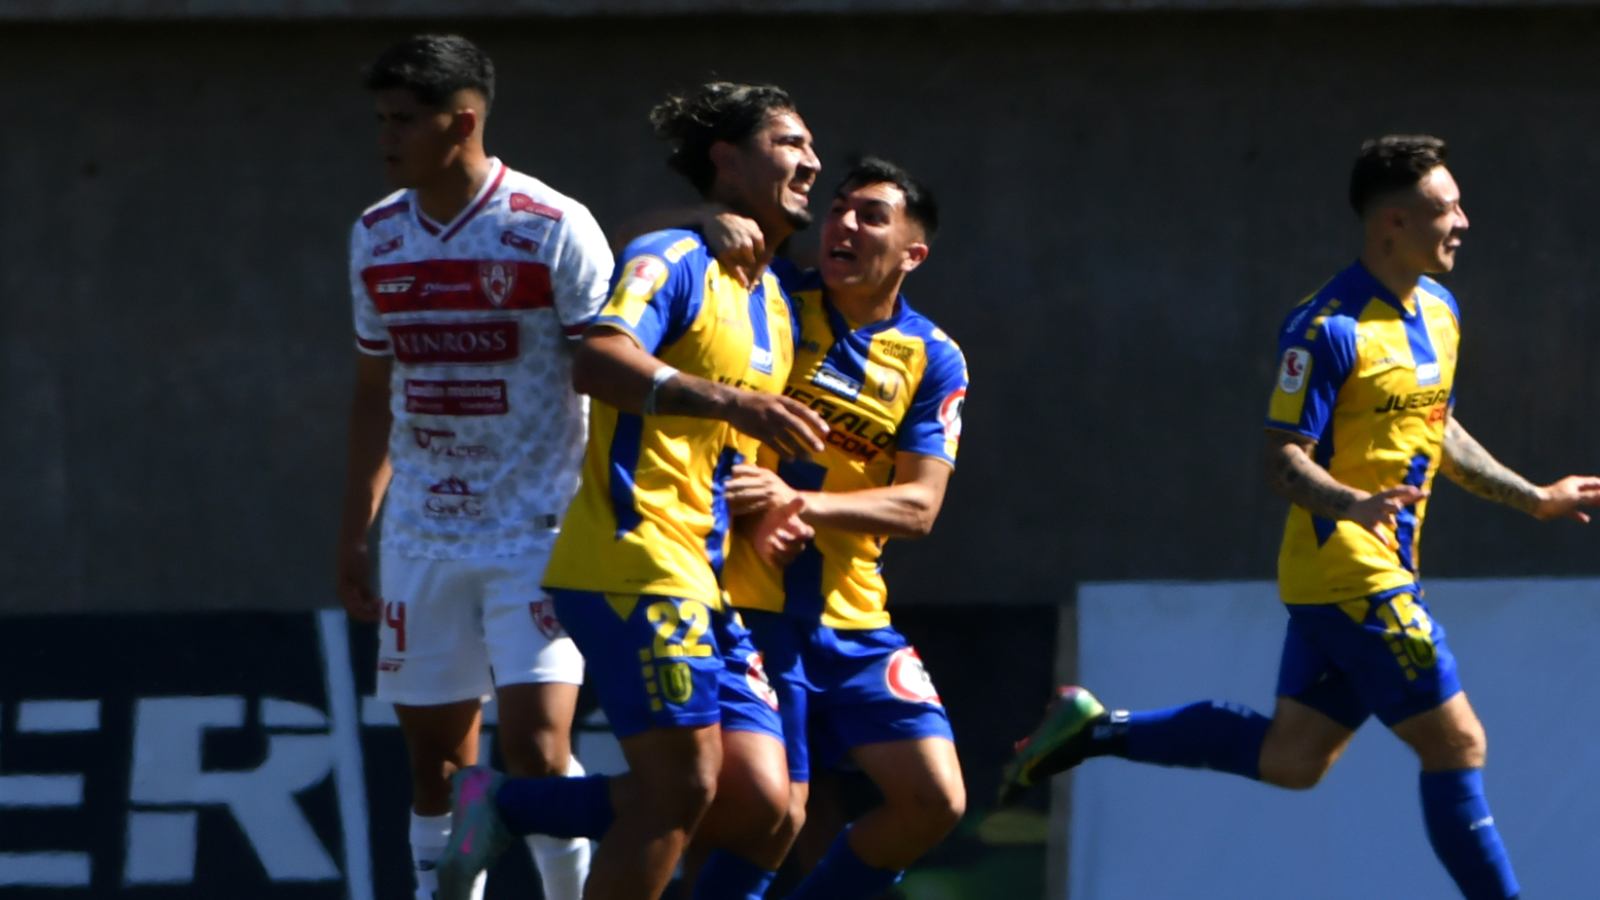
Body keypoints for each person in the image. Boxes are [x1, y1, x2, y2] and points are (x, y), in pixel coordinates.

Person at [998, 135, 1600, 900]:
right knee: (1458, 743)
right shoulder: (1325, 329)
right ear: (1391, 223)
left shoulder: (1441, 312)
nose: (1464, 222)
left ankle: (1094, 729)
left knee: (1293, 759)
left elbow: (1436, 429)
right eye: (1446, 208)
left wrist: (1533, 496)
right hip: (1353, 573)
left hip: (1357, 577)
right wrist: (1354, 504)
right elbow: (1282, 460)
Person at [436, 81, 830, 900]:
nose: (811, 161)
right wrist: (732, 399)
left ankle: (510, 801)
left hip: (706, 572)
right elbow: (598, 362)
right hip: (630, 558)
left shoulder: (777, 300)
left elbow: (717, 442)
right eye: (790, 142)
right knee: (677, 788)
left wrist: (762, 494)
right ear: (727, 160)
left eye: (810, 145)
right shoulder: (679, 257)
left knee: (764, 803)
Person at [336, 33, 611, 900]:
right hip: (422, 533)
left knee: (535, 749)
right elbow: (376, 390)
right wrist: (356, 527)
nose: (385, 138)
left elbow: (611, 374)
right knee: (439, 764)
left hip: (541, 529)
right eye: (380, 120)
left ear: (462, 122)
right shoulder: (377, 236)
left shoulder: (552, 226)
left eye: (403, 121)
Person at [718, 156, 971, 899]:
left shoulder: (933, 356)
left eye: (870, 216)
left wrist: (798, 505)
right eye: (837, 210)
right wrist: (704, 221)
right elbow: (643, 250)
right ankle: (517, 801)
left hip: (853, 615)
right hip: (747, 603)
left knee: (935, 800)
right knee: (770, 814)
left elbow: (919, 507)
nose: (843, 225)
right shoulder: (765, 294)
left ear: (912, 254)